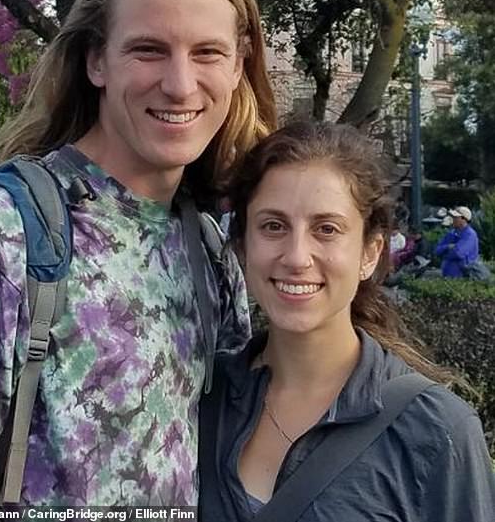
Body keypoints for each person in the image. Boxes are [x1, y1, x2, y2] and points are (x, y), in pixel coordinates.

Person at [0, 0, 277, 506]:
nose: (181, 83)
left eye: (207, 53)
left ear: (239, 66)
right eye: (148, 50)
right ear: (96, 60)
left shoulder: (210, 252)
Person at [199, 121, 495, 521]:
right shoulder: (200, 398)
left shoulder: (437, 431)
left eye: (326, 229)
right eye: (273, 226)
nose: (297, 257)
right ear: (242, 245)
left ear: (370, 253)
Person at [435, 206, 479, 278]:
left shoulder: (470, 234)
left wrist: (444, 255)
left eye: (455, 217)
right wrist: (448, 246)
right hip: (447, 276)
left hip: (463, 278)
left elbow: (458, 253)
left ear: (464, 219)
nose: (453, 219)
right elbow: (437, 250)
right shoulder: (451, 233)